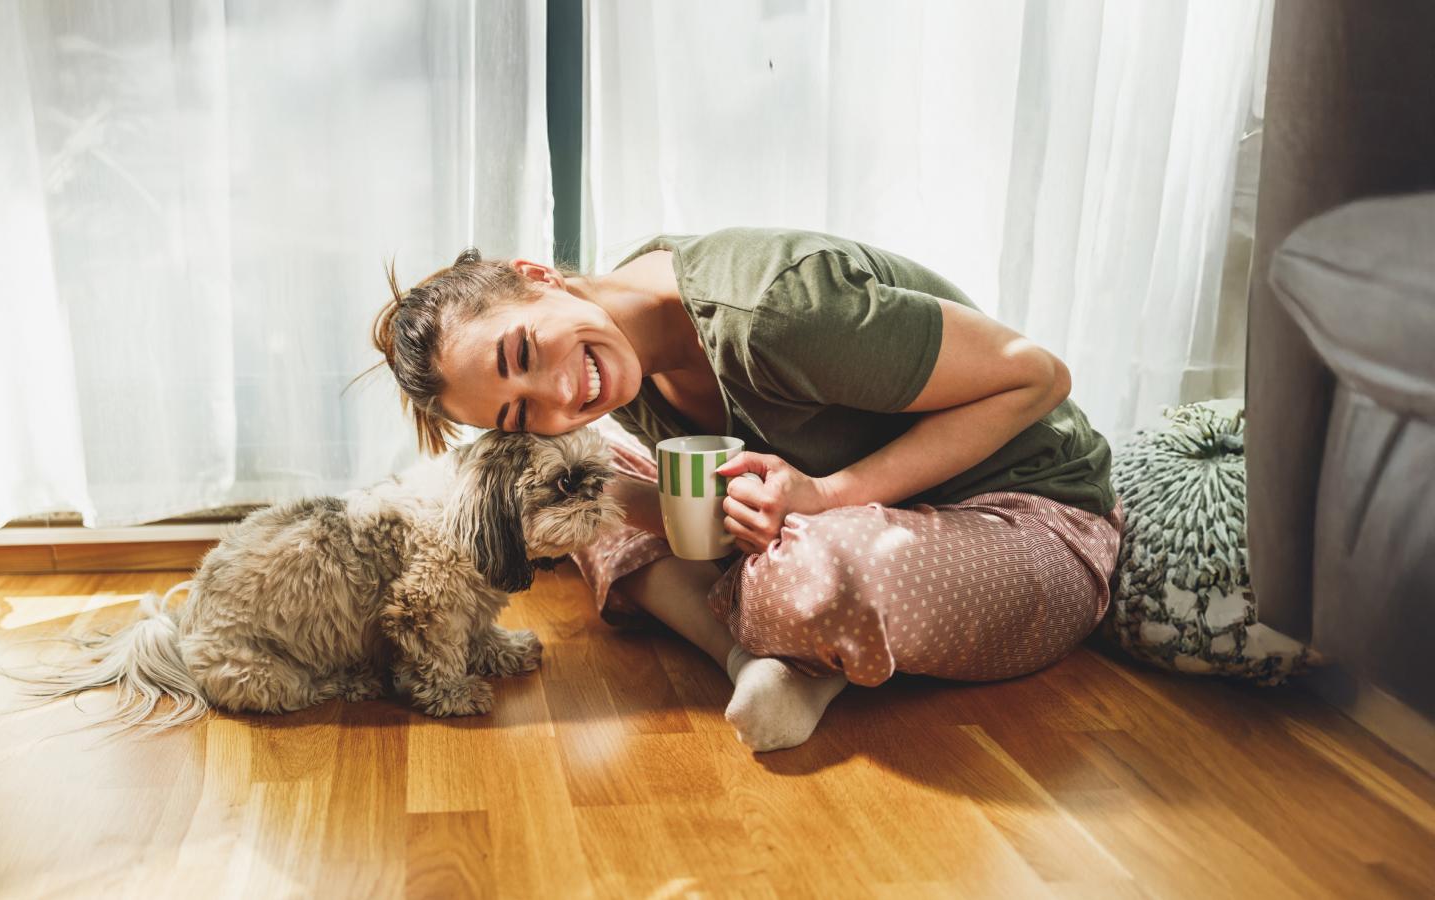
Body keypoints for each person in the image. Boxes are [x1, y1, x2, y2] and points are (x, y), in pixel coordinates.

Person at [367, 227, 1123, 752]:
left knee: (814, 569)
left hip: (1029, 514)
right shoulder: (616, 340)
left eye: (524, 350)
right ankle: (756, 661)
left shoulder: (778, 309)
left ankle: (793, 636)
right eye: (521, 412)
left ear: (536, 276)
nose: (561, 394)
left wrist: (827, 496)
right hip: (848, 513)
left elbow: (1037, 373)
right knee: (581, 502)